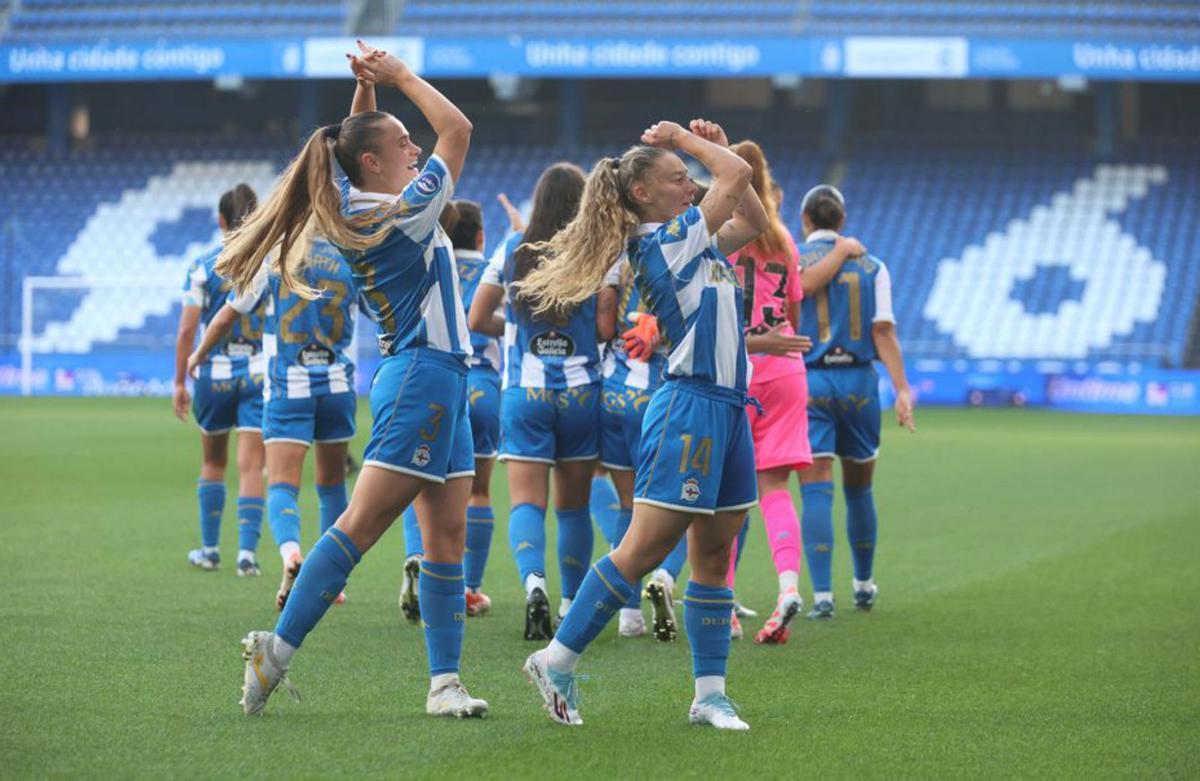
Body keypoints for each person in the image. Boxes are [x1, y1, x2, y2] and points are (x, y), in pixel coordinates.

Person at [220, 41, 488, 719]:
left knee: (446, 536)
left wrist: (368, 91)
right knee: (362, 523)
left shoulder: (351, 202)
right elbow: (459, 129)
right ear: (374, 162)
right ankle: (273, 651)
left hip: (439, 376)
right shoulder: (405, 210)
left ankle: (445, 681)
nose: (415, 148)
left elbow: (350, 147)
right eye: (403, 142)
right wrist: (399, 76)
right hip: (424, 375)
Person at [518, 118, 768, 730]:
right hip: (689, 408)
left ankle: (709, 695)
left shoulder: (694, 239)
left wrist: (720, 145)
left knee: (715, 555)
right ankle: (556, 659)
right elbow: (732, 176)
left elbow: (753, 217)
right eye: (679, 179)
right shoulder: (664, 242)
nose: (691, 185)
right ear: (642, 195)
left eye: (690, 178)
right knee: (643, 548)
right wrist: (691, 142)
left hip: (729, 407)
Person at [721, 139, 867, 645]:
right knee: (776, 489)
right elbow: (795, 316)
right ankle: (787, 589)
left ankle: (726, 605)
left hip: (735, 368)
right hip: (786, 369)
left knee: (726, 496)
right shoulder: (784, 240)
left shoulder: (725, 235)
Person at [468, 162, 604, 641]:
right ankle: (570, 604)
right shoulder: (597, 249)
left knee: (527, 501)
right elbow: (607, 328)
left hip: (524, 391)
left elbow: (476, 316)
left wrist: (517, 334)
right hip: (581, 393)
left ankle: (533, 586)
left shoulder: (512, 249)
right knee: (573, 507)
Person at [188, 236, 361, 609]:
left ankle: (291, 555)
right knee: (332, 484)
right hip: (338, 386)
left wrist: (198, 355)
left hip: (288, 385)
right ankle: (332, 580)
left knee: (283, 484)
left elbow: (225, 317)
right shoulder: (351, 258)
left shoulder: (276, 260)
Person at [795, 184, 915, 619]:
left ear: (805, 220)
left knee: (816, 489)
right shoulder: (874, 266)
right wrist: (902, 388)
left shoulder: (792, 260)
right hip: (861, 384)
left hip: (810, 381)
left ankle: (822, 595)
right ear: (841, 221)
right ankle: (863, 584)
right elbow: (883, 331)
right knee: (860, 487)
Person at [397, 200, 500, 620]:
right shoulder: (495, 269)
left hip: (431, 382)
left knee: (417, 484)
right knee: (478, 492)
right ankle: (469, 588)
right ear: (479, 236)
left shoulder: (425, 264)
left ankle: (417, 557)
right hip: (484, 386)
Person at [173, 184, 267, 576]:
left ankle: (210, 550)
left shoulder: (202, 265)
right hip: (260, 373)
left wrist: (180, 380)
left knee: (213, 461)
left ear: (221, 221)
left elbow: (187, 330)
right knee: (251, 466)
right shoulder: (269, 262)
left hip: (214, 376)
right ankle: (247, 556)